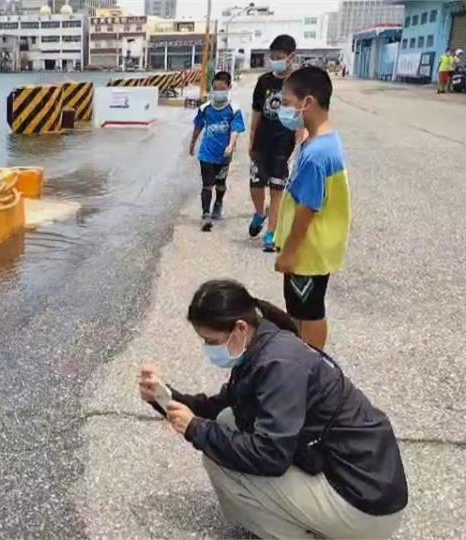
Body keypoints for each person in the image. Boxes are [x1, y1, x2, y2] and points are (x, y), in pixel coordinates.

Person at [138, 280, 408, 539]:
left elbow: (270, 456)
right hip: (357, 478)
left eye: (210, 340)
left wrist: (197, 430)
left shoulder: (279, 365)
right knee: (228, 419)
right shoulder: (262, 344)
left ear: (240, 328)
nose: (207, 348)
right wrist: (164, 397)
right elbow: (220, 406)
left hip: (366, 507)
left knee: (217, 459)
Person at [273, 66, 350, 350]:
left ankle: (311, 364)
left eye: (287, 102)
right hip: (315, 247)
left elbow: (307, 210)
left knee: (307, 311)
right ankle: (305, 360)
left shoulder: (317, 154)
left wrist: (289, 253)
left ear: (308, 103)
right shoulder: (322, 140)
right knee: (304, 308)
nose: (283, 109)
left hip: (307, 249)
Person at [249, 34, 303, 252]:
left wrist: (300, 144)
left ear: (291, 57)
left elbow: (302, 116)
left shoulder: (298, 83)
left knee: (277, 189)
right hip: (262, 142)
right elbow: (256, 112)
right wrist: (251, 139)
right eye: (273, 57)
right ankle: (260, 213)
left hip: (284, 145)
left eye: (280, 57)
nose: (276, 60)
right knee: (255, 185)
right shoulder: (263, 82)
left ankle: (271, 234)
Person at [189, 71, 246, 232]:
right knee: (207, 185)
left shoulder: (234, 109)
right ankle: (205, 215)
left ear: (229, 87)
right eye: (215, 88)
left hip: (224, 155)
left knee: (220, 184)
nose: (218, 91)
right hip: (206, 153)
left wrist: (231, 144)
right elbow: (198, 126)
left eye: (222, 88)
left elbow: (235, 129)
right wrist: (192, 143)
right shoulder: (205, 108)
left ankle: (218, 204)